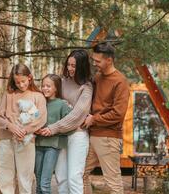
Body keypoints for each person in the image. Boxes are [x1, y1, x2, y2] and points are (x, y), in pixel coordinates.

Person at [40, 49, 93, 194]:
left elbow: (77, 115)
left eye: (74, 66)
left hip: (77, 136)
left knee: (74, 178)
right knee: (61, 178)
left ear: (81, 67)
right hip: (61, 136)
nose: (70, 68)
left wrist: (53, 128)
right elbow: (49, 98)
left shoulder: (86, 87)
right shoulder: (62, 82)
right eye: (68, 64)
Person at [82, 42, 130, 194]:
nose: (94, 64)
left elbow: (118, 114)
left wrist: (94, 119)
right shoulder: (97, 77)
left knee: (113, 182)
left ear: (109, 60)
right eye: (93, 60)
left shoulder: (120, 81)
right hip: (92, 134)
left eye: (98, 61)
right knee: (80, 175)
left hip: (108, 138)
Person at [0, 63, 47, 194]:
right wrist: (10, 126)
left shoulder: (38, 96)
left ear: (30, 77)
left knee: (25, 177)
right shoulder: (8, 94)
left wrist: (26, 130)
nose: (21, 85)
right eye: (17, 82)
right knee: (6, 176)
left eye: (23, 81)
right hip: (6, 140)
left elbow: (41, 119)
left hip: (26, 141)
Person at [35, 74, 71, 194]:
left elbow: (69, 126)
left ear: (56, 88)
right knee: (38, 183)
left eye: (48, 86)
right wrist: (35, 129)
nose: (44, 88)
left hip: (52, 146)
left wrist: (54, 130)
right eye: (43, 86)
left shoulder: (62, 104)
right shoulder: (40, 103)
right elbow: (34, 120)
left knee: (44, 183)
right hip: (38, 144)